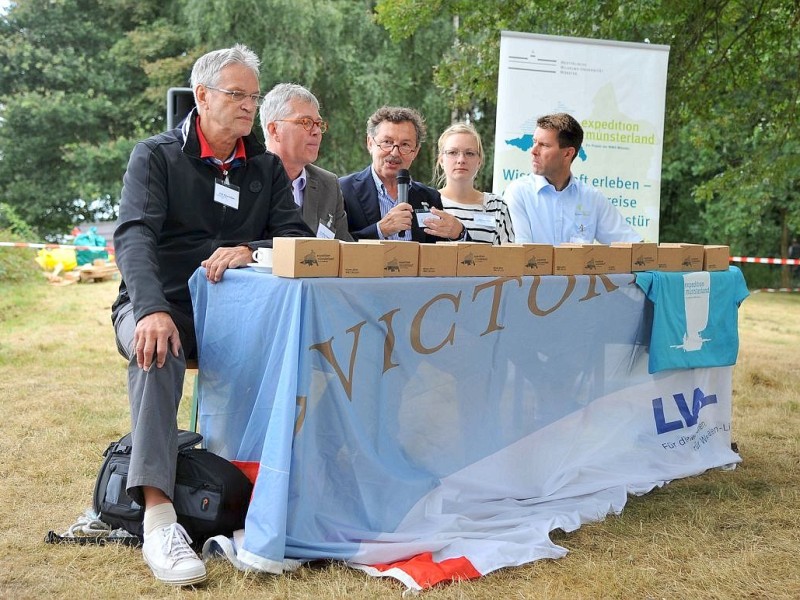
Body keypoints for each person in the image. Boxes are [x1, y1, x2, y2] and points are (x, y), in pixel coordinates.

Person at [111, 44, 312, 586]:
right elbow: (132, 237)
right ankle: (159, 519)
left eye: (254, 96)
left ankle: (260, 506)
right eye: (237, 94)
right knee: (160, 347)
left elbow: (295, 236)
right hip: (161, 305)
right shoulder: (155, 155)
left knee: (301, 353)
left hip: (236, 321)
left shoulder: (264, 167)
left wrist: (251, 248)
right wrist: (150, 308)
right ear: (202, 96)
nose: (249, 106)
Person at [504, 112, 641, 244]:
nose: (533, 151)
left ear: (568, 153)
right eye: (534, 142)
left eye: (544, 145)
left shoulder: (592, 198)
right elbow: (521, 254)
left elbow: (633, 245)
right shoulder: (518, 193)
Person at [339, 105, 467, 243]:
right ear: (370, 143)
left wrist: (459, 234)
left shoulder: (429, 197)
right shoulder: (343, 189)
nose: (395, 153)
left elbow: (441, 253)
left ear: (415, 151)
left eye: (405, 145)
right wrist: (380, 230)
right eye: (387, 142)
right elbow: (333, 245)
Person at [260, 83, 353, 241]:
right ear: (274, 130)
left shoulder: (328, 185)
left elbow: (344, 250)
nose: (316, 131)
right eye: (306, 122)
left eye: (318, 124)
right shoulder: (247, 176)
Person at [435, 122, 514, 245]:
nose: (461, 160)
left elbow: (508, 258)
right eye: (452, 152)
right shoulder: (429, 203)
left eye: (469, 153)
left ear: (479, 161)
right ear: (441, 160)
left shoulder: (496, 206)